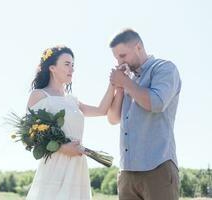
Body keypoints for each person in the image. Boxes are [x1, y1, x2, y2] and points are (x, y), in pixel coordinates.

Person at [26, 45, 115, 200]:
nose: (72, 69)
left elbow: (102, 110)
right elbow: (29, 134)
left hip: (77, 166)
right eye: (67, 64)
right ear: (52, 67)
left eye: (73, 65)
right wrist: (62, 147)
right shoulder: (39, 95)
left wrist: (113, 84)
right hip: (56, 165)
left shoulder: (72, 100)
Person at [107, 29, 181, 200]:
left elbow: (156, 103)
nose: (119, 62)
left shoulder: (164, 68)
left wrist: (125, 82)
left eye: (123, 55)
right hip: (127, 172)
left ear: (138, 47)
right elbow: (113, 118)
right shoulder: (128, 79)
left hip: (158, 166)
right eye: (116, 58)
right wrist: (119, 86)